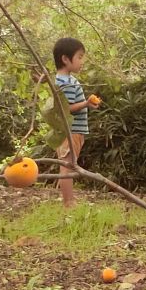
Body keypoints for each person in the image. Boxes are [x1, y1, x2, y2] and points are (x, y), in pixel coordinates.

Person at [51, 36, 92, 209]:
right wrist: (86, 103)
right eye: (79, 57)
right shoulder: (64, 82)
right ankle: (68, 202)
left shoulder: (69, 79)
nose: (82, 61)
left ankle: (70, 200)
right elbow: (66, 108)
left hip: (75, 131)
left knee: (69, 165)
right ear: (66, 59)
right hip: (70, 130)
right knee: (67, 166)